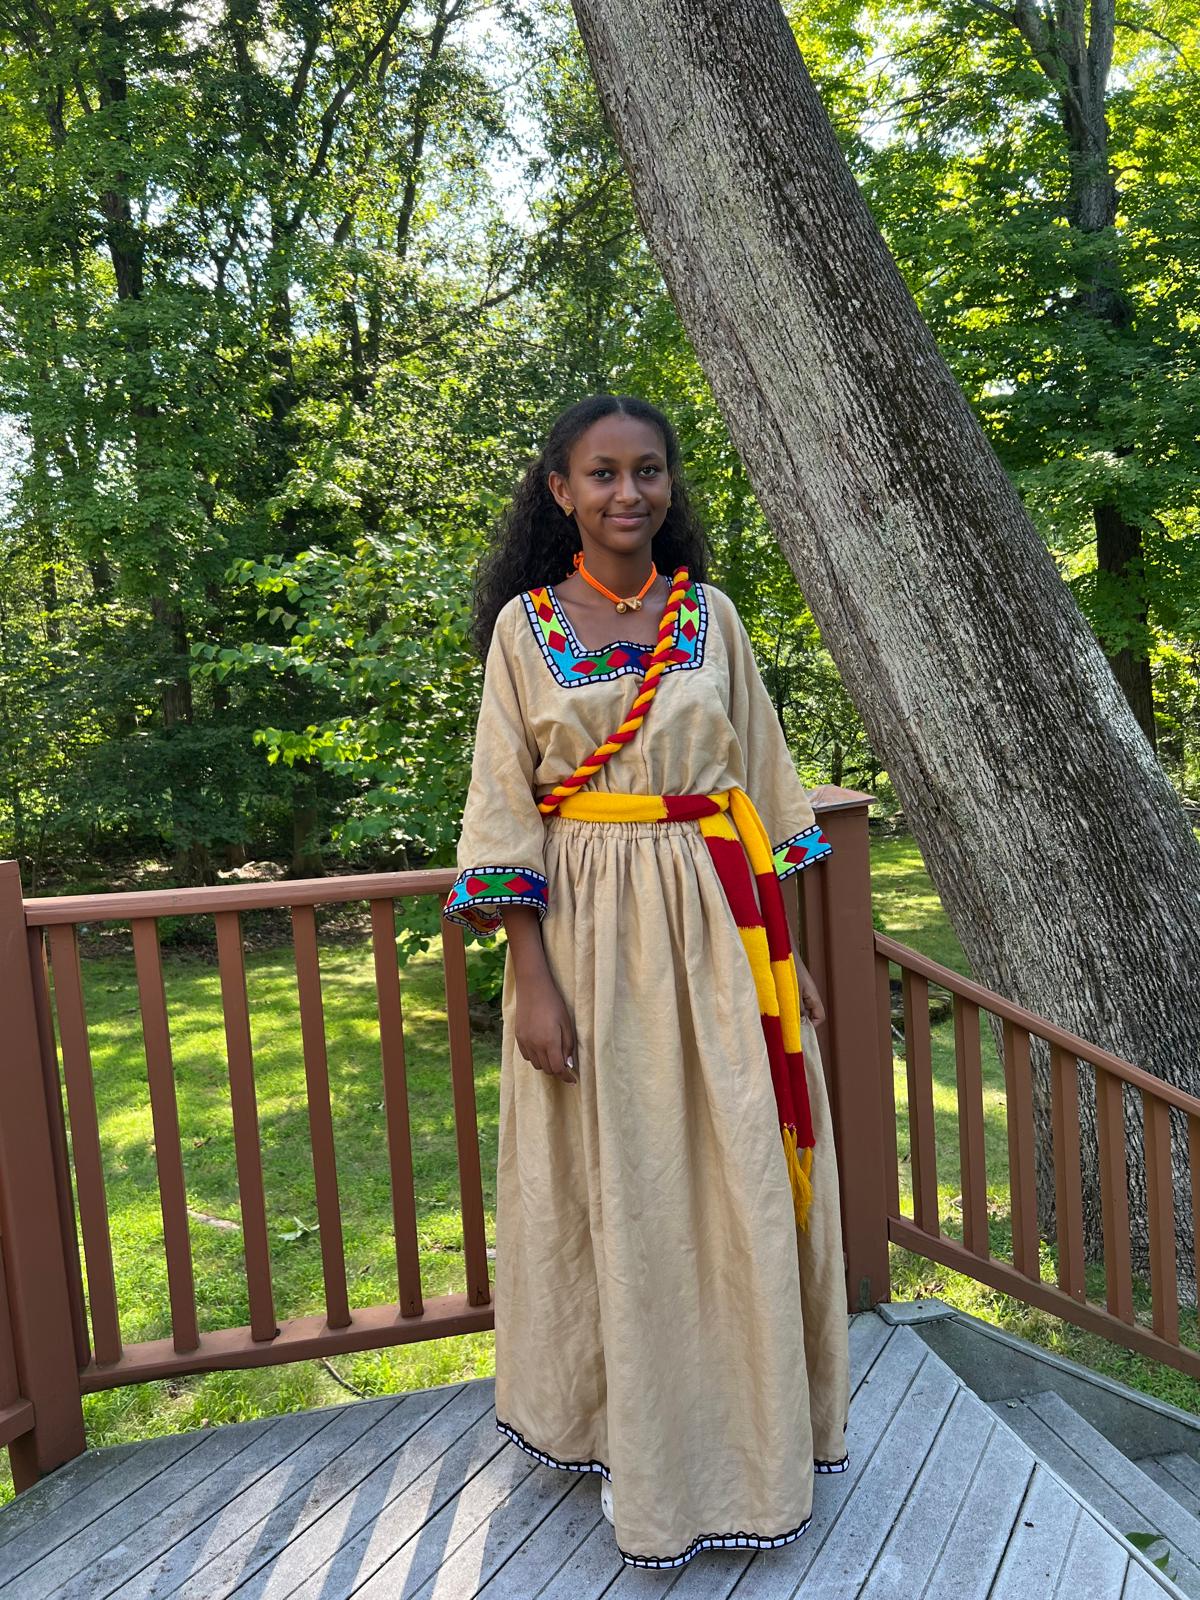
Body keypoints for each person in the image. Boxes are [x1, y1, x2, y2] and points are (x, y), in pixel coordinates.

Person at [442, 393, 850, 1569]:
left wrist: (794, 959)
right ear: (560, 490)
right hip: (586, 932)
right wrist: (529, 977)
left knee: (732, 1183)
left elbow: (767, 786)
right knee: (619, 1191)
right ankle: (634, 1436)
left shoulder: (712, 617)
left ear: (671, 486)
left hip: (723, 932)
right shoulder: (526, 631)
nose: (630, 493)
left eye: (651, 472)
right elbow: (500, 809)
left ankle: (750, 1435)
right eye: (603, 474)